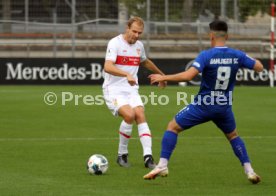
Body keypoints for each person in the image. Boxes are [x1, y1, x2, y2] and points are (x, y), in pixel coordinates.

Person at [143, 20, 263, 184]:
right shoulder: (237, 55)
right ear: (227, 36)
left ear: (211, 35)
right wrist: (242, 59)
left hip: (203, 105)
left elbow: (188, 76)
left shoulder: (207, 55)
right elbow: (259, 67)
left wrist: (163, 77)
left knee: (172, 127)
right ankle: (250, 171)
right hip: (224, 106)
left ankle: (163, 165)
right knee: (233, 136)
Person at [103, 17, 166, 169]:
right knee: (129, 115)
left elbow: (145, 61)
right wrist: (126, 74)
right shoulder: (115, 43)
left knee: (140, 114)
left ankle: (148, 157)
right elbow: (107, 67)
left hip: (131, 89)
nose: (137, 35)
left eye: (140, 33)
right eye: (134, 31)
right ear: (127, 28)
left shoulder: (139, 46)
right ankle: (122, 154)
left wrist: (162, 75)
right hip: (113, 89)